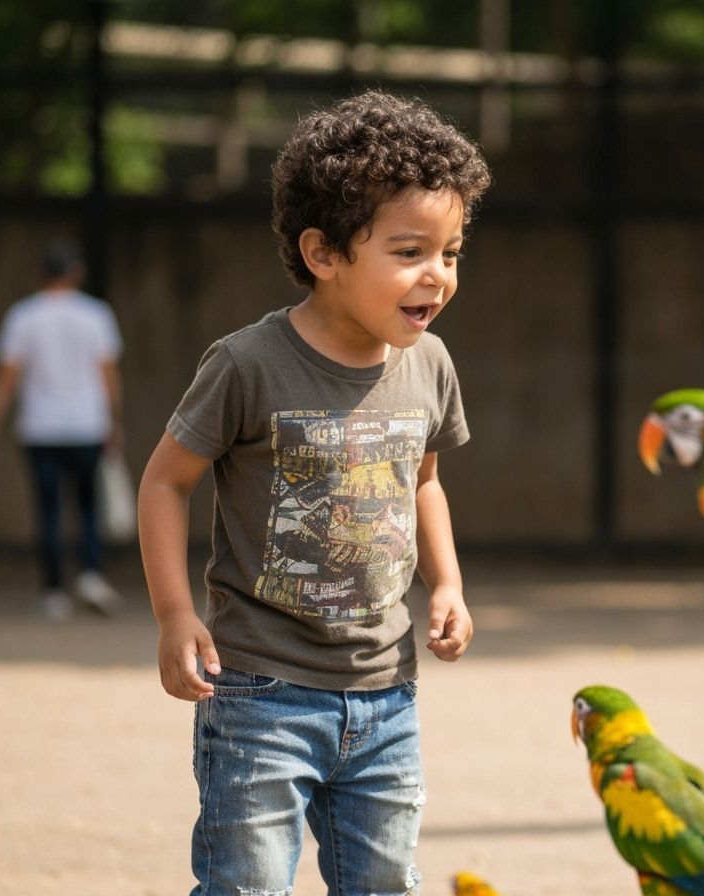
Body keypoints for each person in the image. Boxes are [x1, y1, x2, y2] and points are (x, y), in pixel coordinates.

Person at [137, 91, 491, 895]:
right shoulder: (246, 364)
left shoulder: (430, 365)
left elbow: (424, 481)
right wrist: (172, 615)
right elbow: (165, 481)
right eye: (410, 251)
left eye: (453, 252)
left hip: (386, 692)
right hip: (262, 692)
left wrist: (450, 584)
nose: (436, 274)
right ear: (325, 254)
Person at [0, 240, 126, 621]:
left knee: (48, 509)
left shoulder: (22, 317)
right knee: (89, 506)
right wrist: (114, 421)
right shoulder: (96, 315)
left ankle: (54, 591)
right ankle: (91, 575)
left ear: (40, 275)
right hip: (87, 424)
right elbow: (108, 375)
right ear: (76, 273)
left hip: (40, 427)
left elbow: (6, 377)